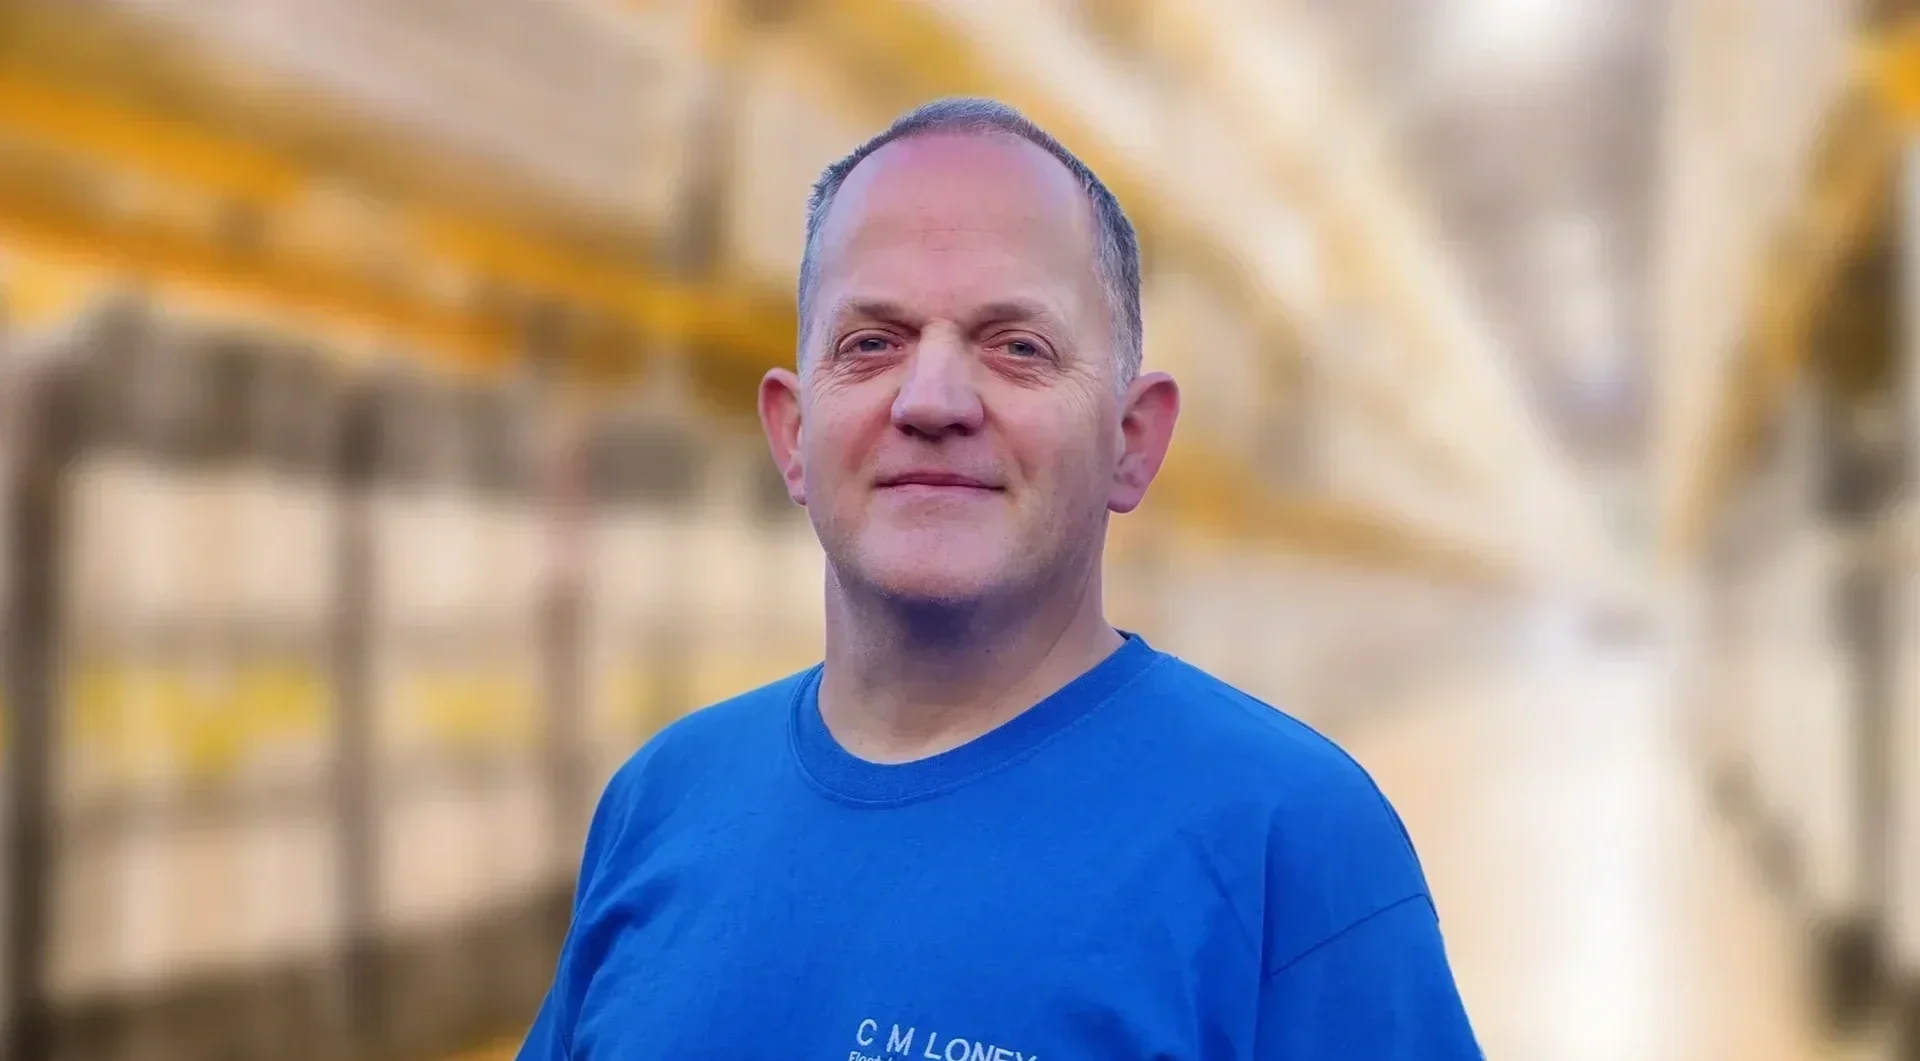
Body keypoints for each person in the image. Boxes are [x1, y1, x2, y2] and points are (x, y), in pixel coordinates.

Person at [515, 96, 1483, 1059]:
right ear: (792, 432)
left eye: (1018, 346)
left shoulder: (1295, 850)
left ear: (1132, 441)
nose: (932, 400)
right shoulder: (660, 802)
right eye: (872, 343)